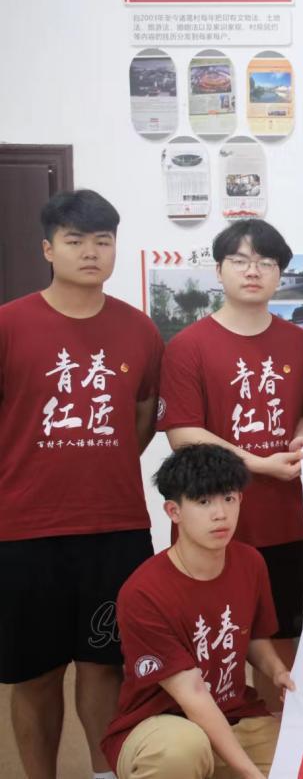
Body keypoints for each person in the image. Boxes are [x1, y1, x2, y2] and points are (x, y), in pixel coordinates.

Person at [0, 190, 164, 779]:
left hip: (115, 526)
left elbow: (142, 418)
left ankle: (104, 774)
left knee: (106, 665)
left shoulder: (139, 330)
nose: (91, 252)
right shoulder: (9, 324)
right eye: (75, 241)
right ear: (49, 249)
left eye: (103, 240)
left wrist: (99, 462)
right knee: (34, 674)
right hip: (24, 530)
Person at [158, 219, 303, 712]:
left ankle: (275, 740)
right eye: (240, 261)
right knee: (210, 639)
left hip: (287, 517)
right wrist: (260, 464)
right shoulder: (188, 345)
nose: (253, 271)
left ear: (280, 274)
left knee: (281, 641)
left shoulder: (301, 343)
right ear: (219, 270)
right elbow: (183, 433)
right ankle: (213, 741)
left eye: (266, 262)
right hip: (213, 520)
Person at [102, 445, 295, 779]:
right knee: (182, 751)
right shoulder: (143, 592)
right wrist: (250, 773)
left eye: (229, 498)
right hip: (161, 724)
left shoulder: (251, 562)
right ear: (173, 511)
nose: (220, 514)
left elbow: (252, 636)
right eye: (203, 502)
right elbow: (191, 694)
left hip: (236, 716)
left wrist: (277, 670)